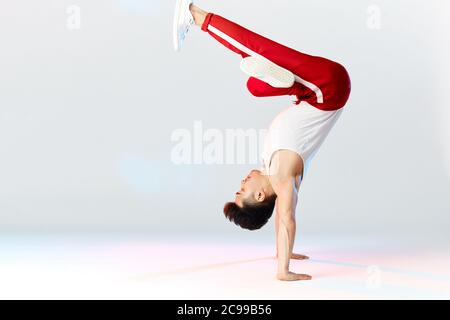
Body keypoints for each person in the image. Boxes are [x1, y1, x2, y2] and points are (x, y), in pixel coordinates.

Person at [173, 0, 351, 281]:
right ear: (258, 195)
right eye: (241, 189)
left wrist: (284, 252)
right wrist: (284, 270)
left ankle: (284, 80)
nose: (241, 181)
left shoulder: (275, 174)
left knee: (254, 87)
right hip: (325, 89)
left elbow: (280, 218)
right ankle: (196, 16)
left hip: (307, 94)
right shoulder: (282, 179)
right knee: (254, 47)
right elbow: (286, 218)